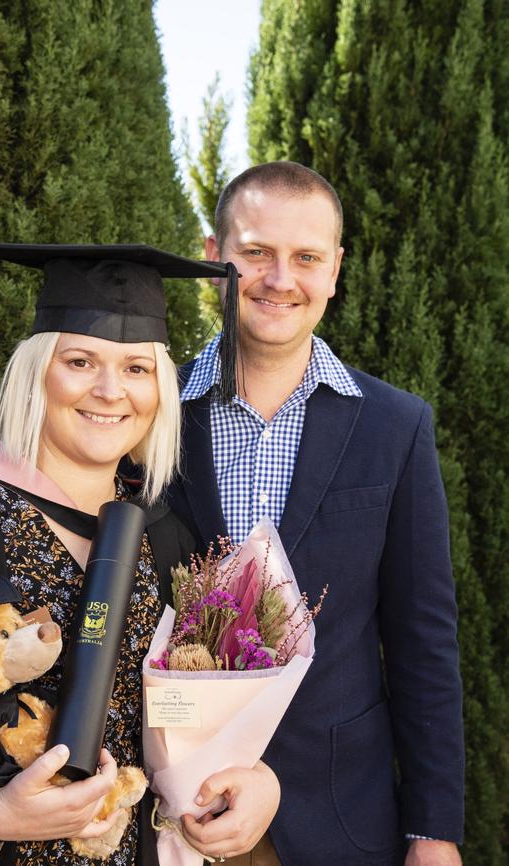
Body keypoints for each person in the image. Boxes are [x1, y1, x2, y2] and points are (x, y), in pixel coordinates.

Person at [0, 243, 280, 866]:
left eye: (137, 368)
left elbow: (192, 729)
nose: (111, 391)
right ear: (37, 373)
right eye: (80, 361)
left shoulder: (170, 541)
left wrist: (256, 782)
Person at [167, 163, 465, 866]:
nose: (280, 279)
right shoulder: (149, 413)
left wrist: (434, 831)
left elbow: (423, 640)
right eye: (255, 253)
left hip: (337, 818)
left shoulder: (395, 427)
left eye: (305, 258)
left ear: (334, 270)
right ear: (214, 258)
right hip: (174, 813)